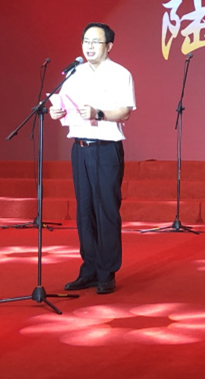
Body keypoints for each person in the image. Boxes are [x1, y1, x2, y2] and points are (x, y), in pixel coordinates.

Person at [48, 22, 135, 295]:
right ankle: (89, 269)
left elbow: (125, 112)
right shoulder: (75, 73)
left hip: (106, 148)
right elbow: (65, 104)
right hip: (80, 148)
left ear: (109, 46)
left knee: (106, 209)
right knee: (84, 211)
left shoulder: (121, 74)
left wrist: (99, 113)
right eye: (86, 41)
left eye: (95, 42)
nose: (89, 46)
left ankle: (107, 272)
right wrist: (57, 112)